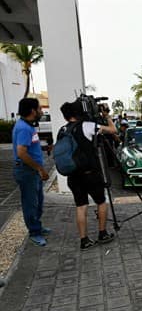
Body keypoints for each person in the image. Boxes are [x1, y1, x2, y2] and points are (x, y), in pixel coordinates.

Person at [60, 100, 118, 250]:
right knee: (101, 202)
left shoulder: (62, 130)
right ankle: (102, 233)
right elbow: (113, 130)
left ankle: (84, 240)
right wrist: (107, 115)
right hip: (90, 173)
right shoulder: (87, 126)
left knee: (81, 206)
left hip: (73, 175)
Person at [12, 98, 49, 246]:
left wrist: (45, 149)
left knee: (38, 201)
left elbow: (30, 147)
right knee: (30, 203)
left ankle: (37, 227)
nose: (41, 111)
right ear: (33, 111)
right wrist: (39, 169)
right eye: (40, 109)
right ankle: (34, 232)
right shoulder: (23, 128)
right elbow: (21, 153)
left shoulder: (28, 125)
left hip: (32, 171)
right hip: (27, 171)